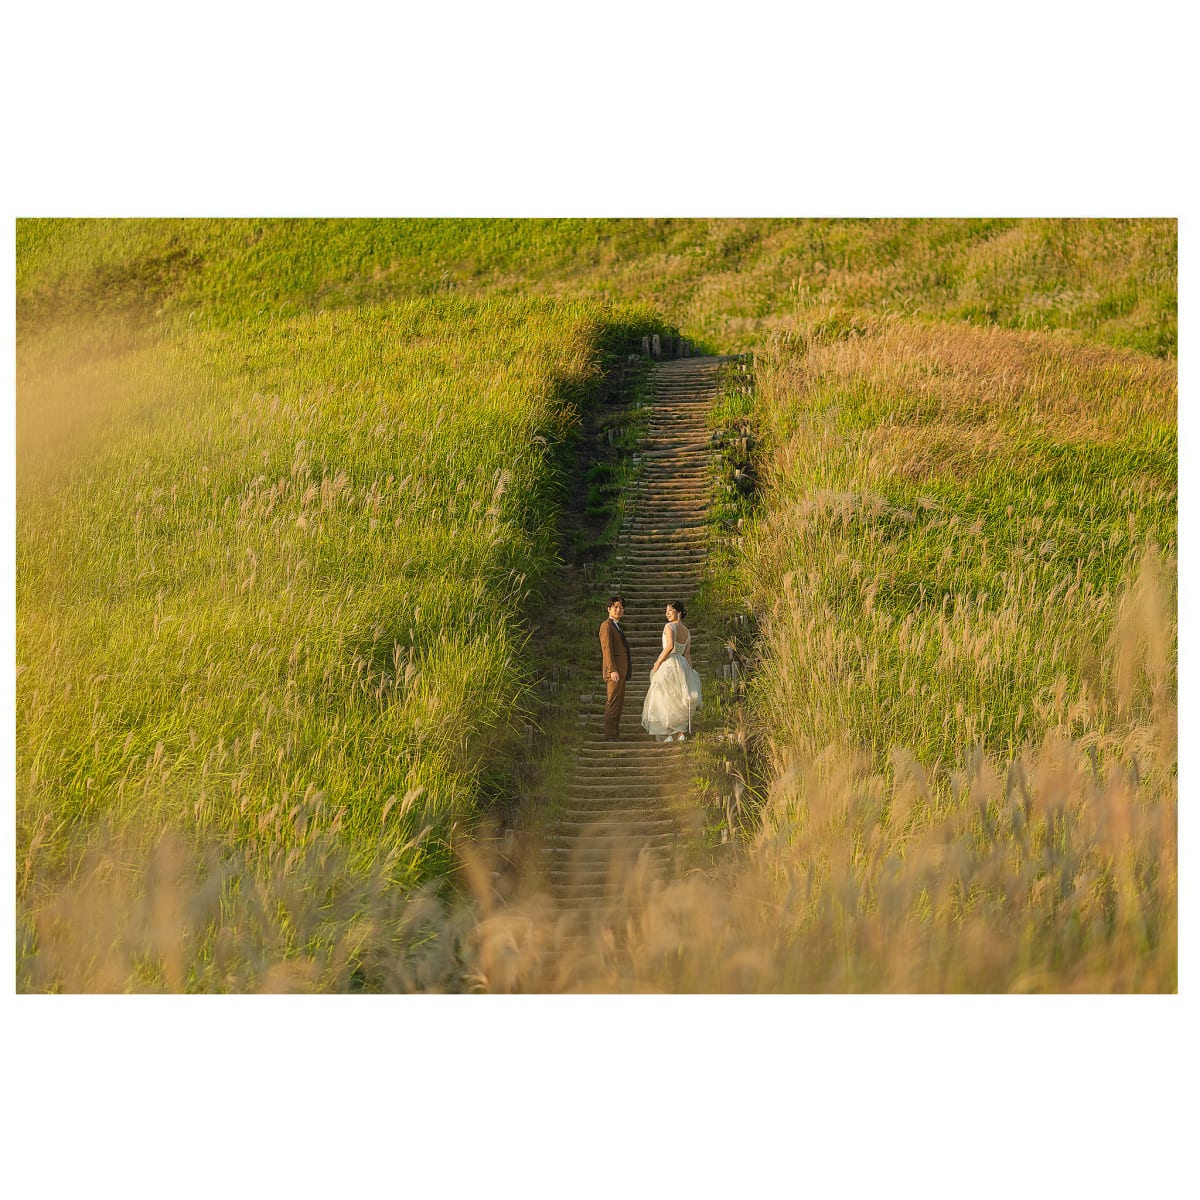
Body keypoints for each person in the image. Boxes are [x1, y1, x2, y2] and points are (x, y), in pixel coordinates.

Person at [641, 601, 702, 742]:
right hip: (682, 664)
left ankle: (668, 733)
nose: (667, 613)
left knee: (665, 698)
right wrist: (690, 671)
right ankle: (680, 733)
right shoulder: (687, 632)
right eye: (666, 611)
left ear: (678, 612)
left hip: (669, 664)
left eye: (670, 610)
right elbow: (687, 654)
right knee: (679, 698)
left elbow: (669, 647)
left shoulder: (669, 626)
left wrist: (657, 663)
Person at [598, 595, 632, 741]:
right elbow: (607, 649)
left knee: (618, 704)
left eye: (621, 608)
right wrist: (612, 670)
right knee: (612, 703)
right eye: (616, 607)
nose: (619, 610)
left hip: (621, 671)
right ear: (609, 609)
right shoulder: (606, 626)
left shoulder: (617, 626)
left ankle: (615, 733)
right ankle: (610, 735)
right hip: (614, 672)